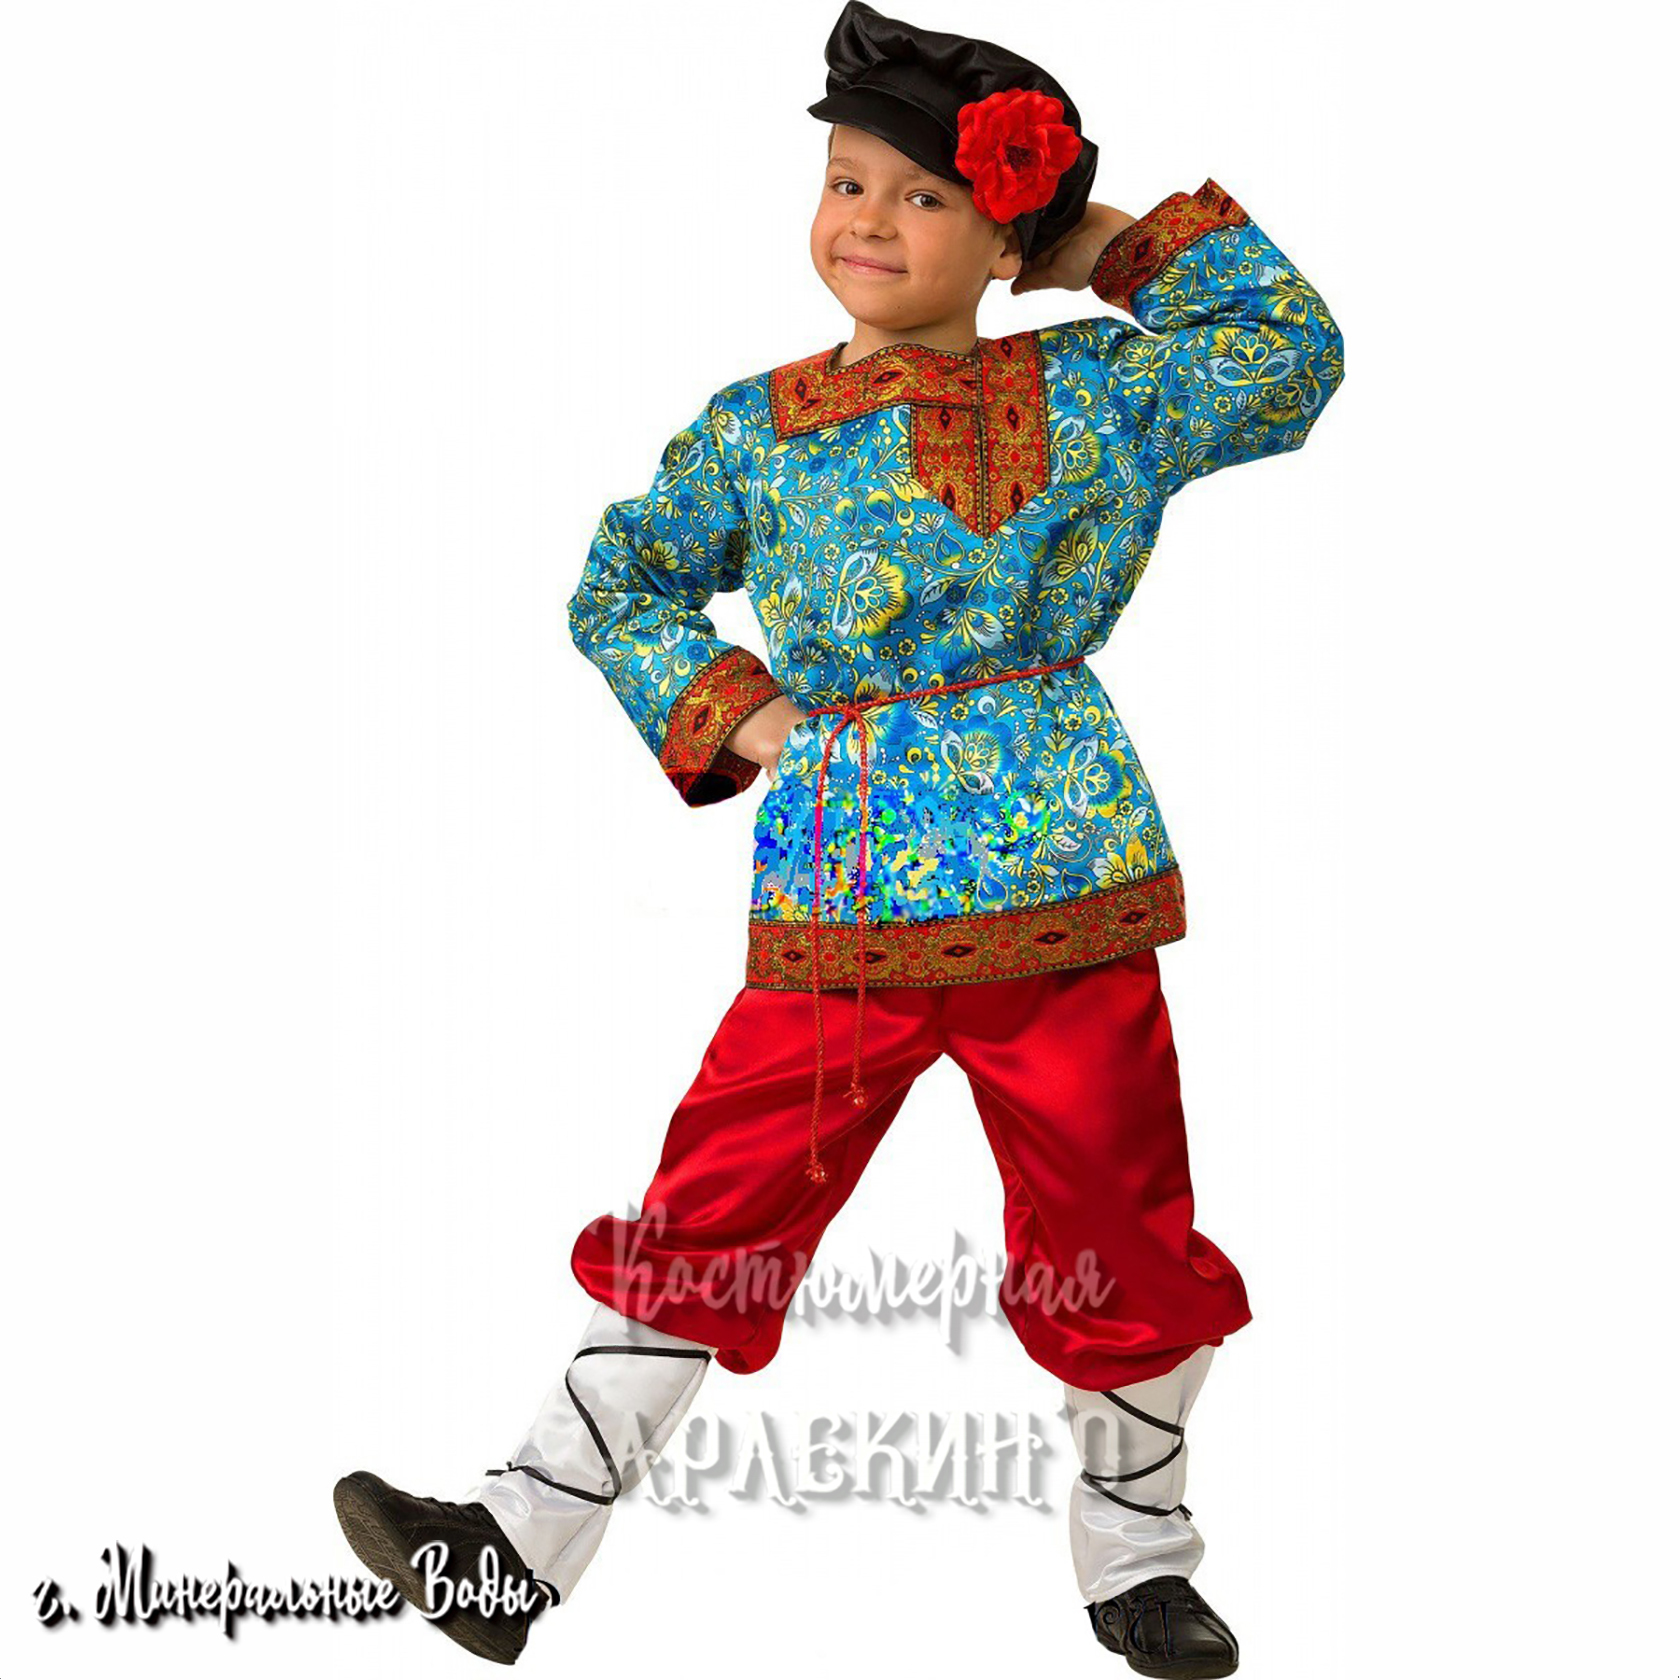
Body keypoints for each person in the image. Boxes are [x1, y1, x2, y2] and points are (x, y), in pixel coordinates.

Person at [332, 3, 1344, 1672]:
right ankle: (512, 1550)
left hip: (1064, 887)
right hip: (840, 893)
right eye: (847, 181)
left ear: (1002, 232)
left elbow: (1288, 351)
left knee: (1119, 1216)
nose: (870, 219)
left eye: (928, 195)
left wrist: (1095, 241)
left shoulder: (1101, 391)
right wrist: (738, 709)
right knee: (714, 1196)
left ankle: (1139, 1560)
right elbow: (622, 583)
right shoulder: (757, 426)